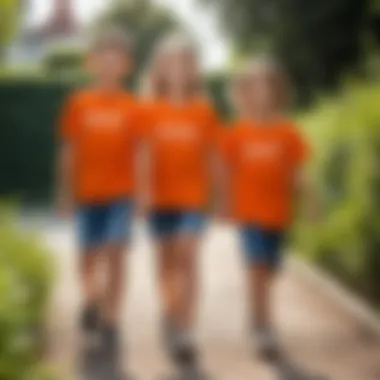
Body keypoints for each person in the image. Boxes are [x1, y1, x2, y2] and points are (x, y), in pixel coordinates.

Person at [218, 57, 313, 358]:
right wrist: (223, 204)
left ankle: (257, 315)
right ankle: (264, 327)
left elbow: (297, 172)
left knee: (269, 270)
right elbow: (224, 172)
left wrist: (309, 200)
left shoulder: (287, 133)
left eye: (266, 87)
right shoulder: (236, 133)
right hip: (249, 215)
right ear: (243, 94)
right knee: (256, 269)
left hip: (278, 215)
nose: (260, 93)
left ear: (277, 92)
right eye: (253, 88)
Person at [55, 27, 140, 357]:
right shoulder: (78, 104)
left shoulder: (133, 107)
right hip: (87, 195)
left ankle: (111, 320)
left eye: (115, 58)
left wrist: (143, 194)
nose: (108, 63)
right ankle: (91, 301)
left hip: (121, 194)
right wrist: (64, 192)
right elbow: (68, 150)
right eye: (102, 57)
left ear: (125, 66)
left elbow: (140, 153)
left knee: (116, 252)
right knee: (87, 260)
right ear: (91, 63)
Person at [138, 33, 220, 368]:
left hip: (192, 199)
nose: (177, 68)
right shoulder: (149, 110)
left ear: (193, 70)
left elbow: (213, 156)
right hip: (159, 200)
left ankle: (187, 330)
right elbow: (142, 154)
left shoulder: (203, 111)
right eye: (170, 62)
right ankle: (171, 312)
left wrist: (220, 198)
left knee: (188, 255)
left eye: (184, 62)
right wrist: (142, 193)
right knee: (166, 265)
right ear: (158, 69)